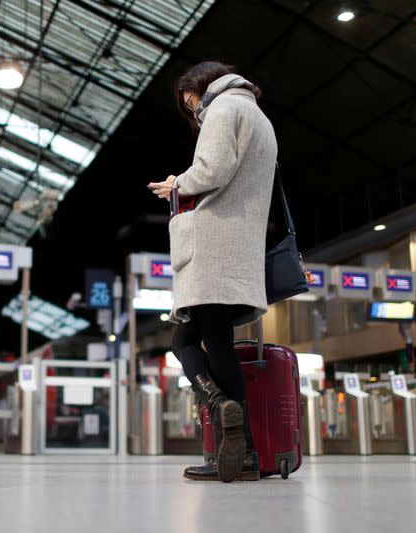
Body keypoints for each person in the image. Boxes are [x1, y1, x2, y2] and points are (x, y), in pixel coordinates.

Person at [148, 62, 277, 483]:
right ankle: (246, 453)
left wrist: (176, 185)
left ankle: (222, 408)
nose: (196, 111)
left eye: (192, 102)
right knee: (217, 341)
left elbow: (214, 169)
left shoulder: (223, 110)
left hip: (212, 244)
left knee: (184, 340)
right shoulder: (259, 116)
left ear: (204, 87)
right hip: (240, 246)